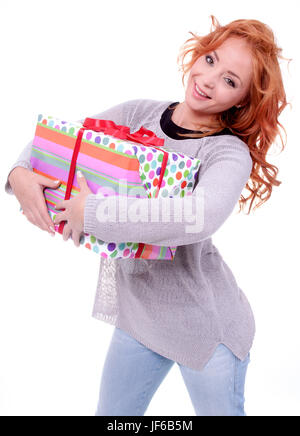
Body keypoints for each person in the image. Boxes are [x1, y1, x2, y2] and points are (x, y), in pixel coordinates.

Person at [5, 15, 289, 416]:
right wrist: (18, 173)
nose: (208, 80)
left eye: (230, 80)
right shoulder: (138, 112)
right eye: (210, 60)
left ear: (242, 99)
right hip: (138, 318)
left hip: (205, 329)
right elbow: (64, 141)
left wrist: (95, 212)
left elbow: (198, 216)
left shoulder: (226, 153)